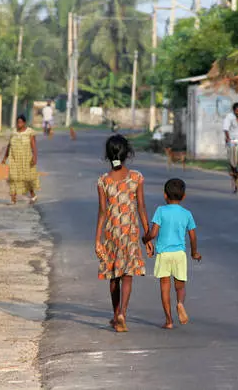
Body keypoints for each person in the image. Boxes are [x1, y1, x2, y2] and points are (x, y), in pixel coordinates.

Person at [95, 134, 153, 332]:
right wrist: (148, 235)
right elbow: (141, 207)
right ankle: (123, 314)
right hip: (130, 233)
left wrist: (97, 240)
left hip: (112, 234)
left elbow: (102, 211)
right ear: (127, 153)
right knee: (128, 274)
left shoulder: (103, 181)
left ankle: (115, 313)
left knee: (114, 275)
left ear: (108, 155)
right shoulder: (136, 177)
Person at [143, 178, 201, 329]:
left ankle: (169, 321)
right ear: (183, 197)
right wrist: (194, 253)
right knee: (180, 286)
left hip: (164, 254)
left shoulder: (160, 211)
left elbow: (154, 233)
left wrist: (145, 239)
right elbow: (193, 236)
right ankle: (180, 304)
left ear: (165, 195)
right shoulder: (187, 214)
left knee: (165, 288)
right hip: (179, 254)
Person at [1, 114, 40, 204]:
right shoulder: (13, 133)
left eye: (21, 122)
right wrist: (4, 157)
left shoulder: (30, 132)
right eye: (18, 122)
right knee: (13, 177)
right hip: (14, 159)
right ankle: (13, 199)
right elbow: (9, 145)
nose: (19, 124)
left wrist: (35, 157)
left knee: (27, 178)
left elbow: (33, 146)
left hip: (26, 159)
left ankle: (33, 195)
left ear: (24, 123)